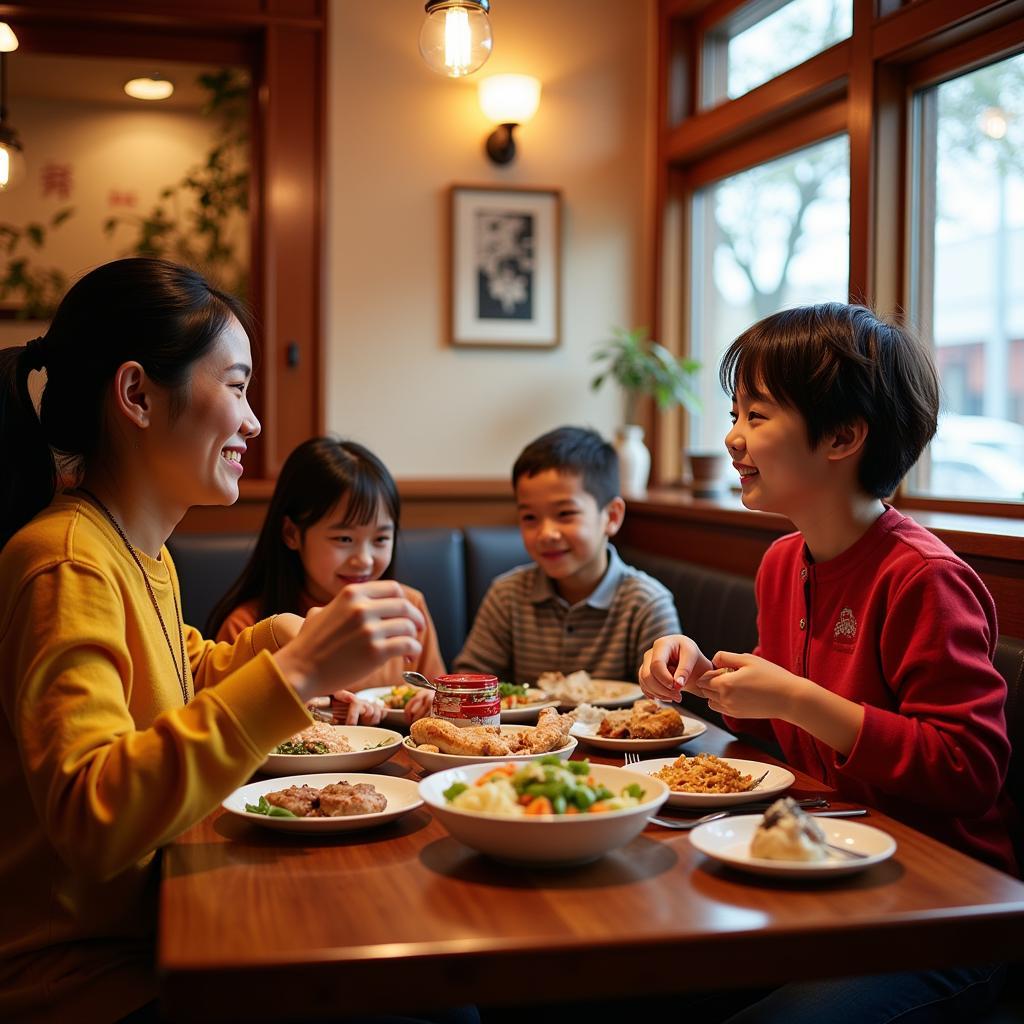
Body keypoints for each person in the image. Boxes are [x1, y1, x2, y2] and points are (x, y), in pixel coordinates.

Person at [0, 258, 427, 1023]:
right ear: (136, 394)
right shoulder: (65, 560)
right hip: (83, 983)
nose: (254, 421)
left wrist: (275, 640)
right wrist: (295, 671)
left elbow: (179, 672)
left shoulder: (139, 551)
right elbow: (92, 818)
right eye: (235, 387)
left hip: (158, 929)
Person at [639, 303, 1015, 1022]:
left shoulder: (923, 577)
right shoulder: (784, 561)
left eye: (756, 415)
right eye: (733, 412)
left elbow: (969, 771)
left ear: (842, 436)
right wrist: (696, 676)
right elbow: (778, 714)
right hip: (825, 860)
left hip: (951, 905)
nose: (731, 438)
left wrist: (797, 699)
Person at [207, 436, 444, 722]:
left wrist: (434, 701)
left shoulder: (407, 608)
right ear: (292, 534)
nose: (365, 559)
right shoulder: (248, 629)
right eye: (344, 538)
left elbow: (437, 692)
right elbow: (229, 723)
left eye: (381, 538)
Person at [454, 425, 680, 684]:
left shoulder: (646, 604)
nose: (547, 533)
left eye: (565, 514)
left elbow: (666, 700)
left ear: (612, 516)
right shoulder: (507, 596)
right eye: (530, 517)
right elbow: (469, 682)